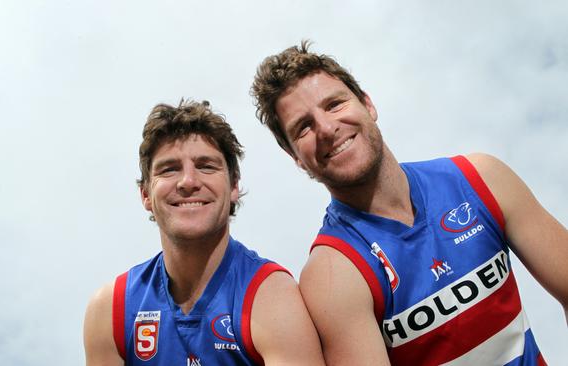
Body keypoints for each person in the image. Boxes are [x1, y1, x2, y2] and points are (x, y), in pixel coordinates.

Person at [250, 41, 568, 365]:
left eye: (334, 104)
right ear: (295, 158)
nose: (328, 128)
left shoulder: (479, 178)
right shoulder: (334, 273)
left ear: (367, 104)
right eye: (304, 127)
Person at [83, 100, 325, 366]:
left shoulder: (272, 299)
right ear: (146, 195)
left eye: (206, 166)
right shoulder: (111, 311)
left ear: (234, 186)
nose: (188, 182)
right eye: (169, 169)